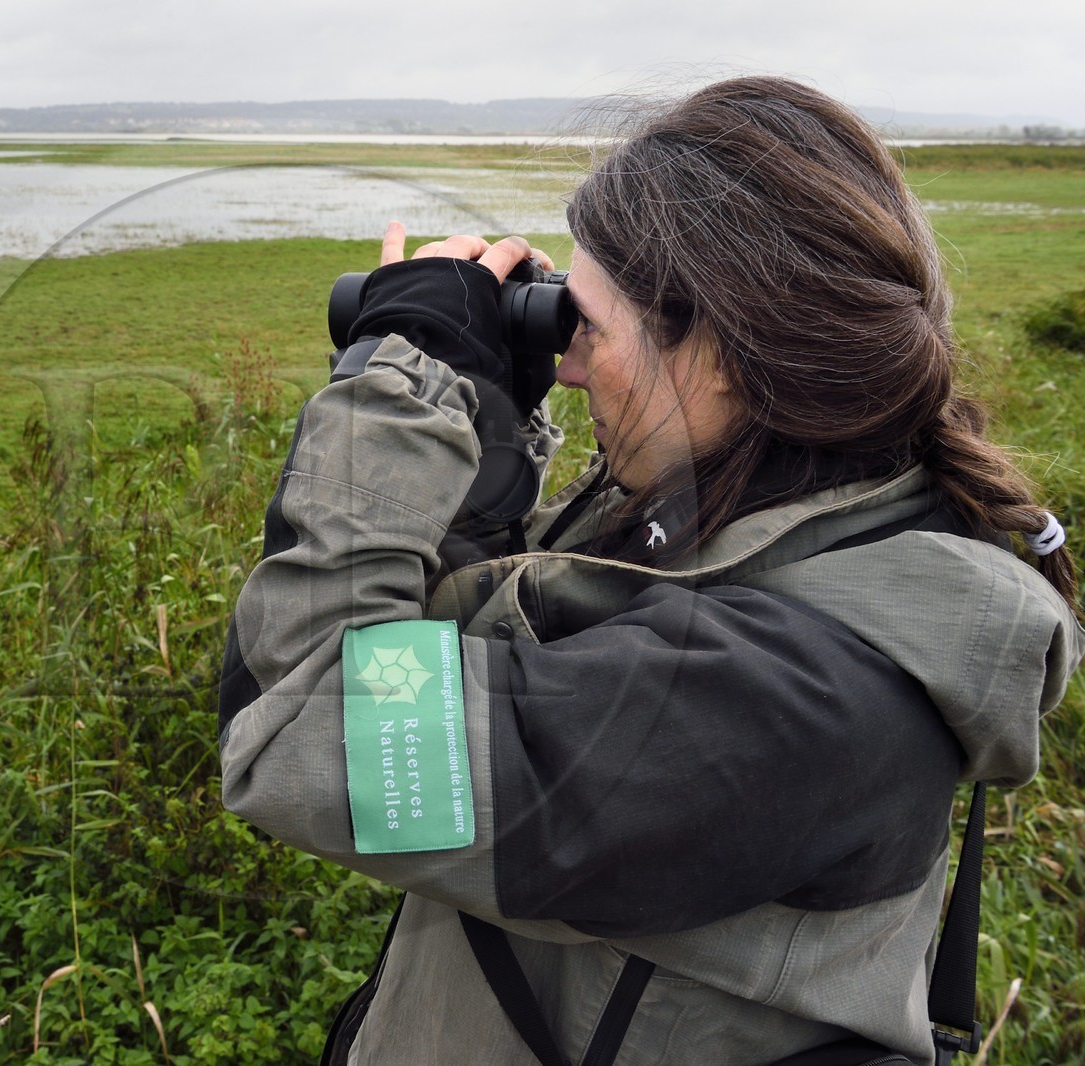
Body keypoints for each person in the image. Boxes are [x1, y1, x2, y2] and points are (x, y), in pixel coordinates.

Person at [217, 76, 1085, 1065]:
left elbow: (299, 719)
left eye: (584, 323)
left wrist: (400, 377)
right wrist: (486, 427)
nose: (570, 363)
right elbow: (447, 650)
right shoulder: (766, 523)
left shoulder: (789, 702)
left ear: (717, 351)